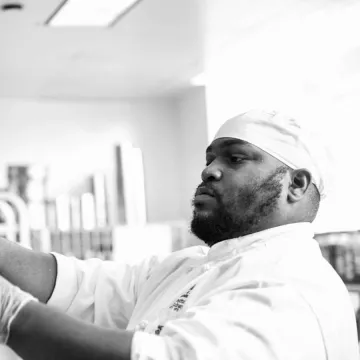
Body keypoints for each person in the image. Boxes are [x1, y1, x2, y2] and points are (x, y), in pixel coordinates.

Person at [0, 109, 358, 360]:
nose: (209, 172)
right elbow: (83, 286)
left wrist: (10, 312)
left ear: (295, 184)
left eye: (235, 159)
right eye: (209, 160)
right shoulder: (194, 266)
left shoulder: (290, 287)